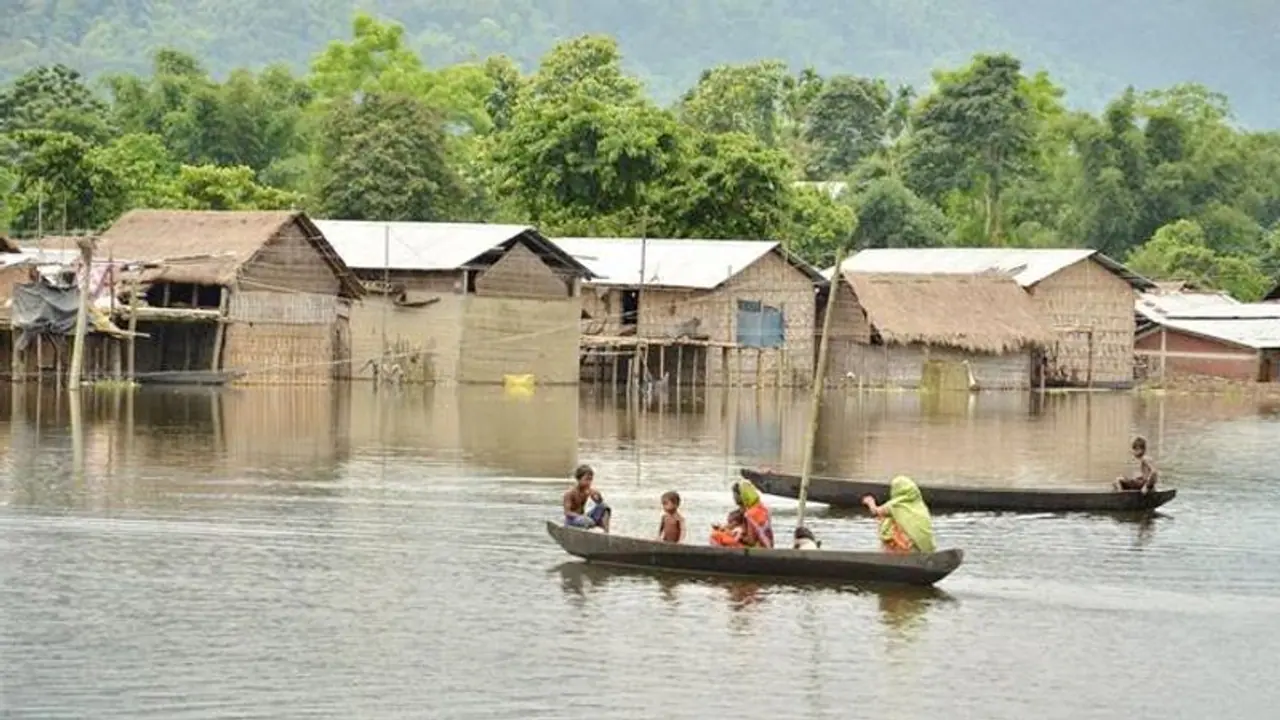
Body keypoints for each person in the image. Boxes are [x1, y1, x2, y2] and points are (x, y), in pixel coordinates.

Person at [861, 476, 936, 553]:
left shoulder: (895, 505)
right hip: (923, 547)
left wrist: (870, 501)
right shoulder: (921, 506)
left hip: (906, 548)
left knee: (886, 521)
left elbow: (875, 512)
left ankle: (892, 551)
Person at [563, 464, 610, 532]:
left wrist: (598, 496)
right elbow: (567, 512)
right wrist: (581, 517)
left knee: (604, 507)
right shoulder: (570, 493)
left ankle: (606, 532)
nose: (589, 482)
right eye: (586, 479)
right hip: (572, 520)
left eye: (590, 479)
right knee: (588, 521)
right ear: (579, 479)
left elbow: (600, 504)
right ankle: (586, 529)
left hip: (583, 518)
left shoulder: (588, 491)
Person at [733, 479, 774, 549]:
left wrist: (737, 536)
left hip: (758, 549)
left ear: (744, 496)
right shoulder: (764, 509)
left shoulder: (750, 514)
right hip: (769, 546)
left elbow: (751, 541)